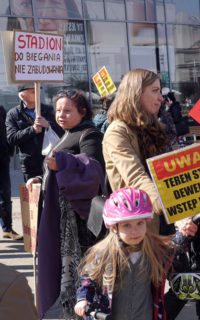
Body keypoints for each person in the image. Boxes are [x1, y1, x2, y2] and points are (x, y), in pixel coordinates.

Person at [102, 69, 197, 319]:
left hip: (164, 220)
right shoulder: (117, 132)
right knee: (142, 297)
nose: (161, 98)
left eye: (161, 91)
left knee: (186, 283)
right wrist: (174, 212)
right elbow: (137, 178)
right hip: (138, 229)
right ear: (136, 93)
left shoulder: (154, 126)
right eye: (154, 91)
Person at [26, 89, 105, 318]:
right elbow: (57, 172)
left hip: (81, 223)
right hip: (64, 220)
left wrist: (61, 162)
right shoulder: (65, 134)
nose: (61, 114)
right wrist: (41, 178)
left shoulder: (89, 135)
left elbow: (92, 170)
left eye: (68, 110)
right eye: (59, 110)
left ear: (82, 112)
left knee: (82, 277)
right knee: (68, 278)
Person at [74, 187, 174, 320]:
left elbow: (176, 246)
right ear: (114, 227)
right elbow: (88, 280)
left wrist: (186, 232)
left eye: (140, 223)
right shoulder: (103, 253)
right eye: (127, 225)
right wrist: (83, 299)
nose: (135, 231)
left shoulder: (155, 250)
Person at [6, 83, 63, 182]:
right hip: (29, 164)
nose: (37, 93)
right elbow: (11, 138)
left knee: (52, 193)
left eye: (38, 90)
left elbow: (64, 132)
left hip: (51, 160)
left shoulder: (49, 110)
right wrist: (32, 130)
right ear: (22, 95)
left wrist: (48, 125)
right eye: (33, 91)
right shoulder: (13, 114)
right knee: (35, 195)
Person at [0, 106, 21, 240]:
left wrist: (9, 150)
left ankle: (8, 228)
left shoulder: (1, 109)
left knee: (5, 196)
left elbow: (7, 131)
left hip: (1, 158)